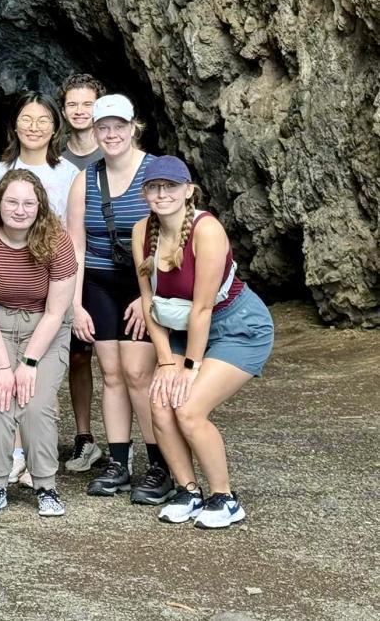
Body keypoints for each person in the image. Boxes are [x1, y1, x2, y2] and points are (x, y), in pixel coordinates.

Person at [132, 156, 273, 529]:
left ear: (188, 190)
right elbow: (149, 302)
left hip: (236, 326)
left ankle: (224, 498)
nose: (162, 194)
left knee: (189, 409)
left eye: (170, 187)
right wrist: (165, 361)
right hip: (179, 327)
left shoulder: (206, 230)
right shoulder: (141, 231)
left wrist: (189, 369)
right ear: (145, 192)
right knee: (160, 404)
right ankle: (187, 490)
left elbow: (203, 308)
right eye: (154, 187)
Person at [66, 94, 174, 504]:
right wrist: (75, 304)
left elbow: (171, 236)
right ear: (94, 132)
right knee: (110, 371)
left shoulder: (153, 172)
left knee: (138, 373)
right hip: (98, 281)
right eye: (103, 128)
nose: (111, 134)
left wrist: (149, 297)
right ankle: (118, 461)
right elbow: (74, 244)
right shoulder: (86, 179)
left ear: (133, 128)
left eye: (119, 126)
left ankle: (159, 463)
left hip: (144, 280)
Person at [0, 170, 77, 517]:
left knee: (36, 404)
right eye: (12, 201)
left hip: (44, 326)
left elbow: (57, 312)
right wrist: (2, 367)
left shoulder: (57, 240)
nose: (20, 209)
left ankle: (46, 486)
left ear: (40, 206)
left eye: (29, 203)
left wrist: (27, 364)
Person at [57, 73, 107, 474]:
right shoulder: (55, 158)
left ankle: (123, 441)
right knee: (76, 356)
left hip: (106, 268)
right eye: (72, 104)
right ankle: (84, 436)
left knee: (113, 357)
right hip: (63, 265)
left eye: (86, 104)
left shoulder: (113, 153)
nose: (79, 111)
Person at [0, 91, 80, 221]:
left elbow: (76, 231)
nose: (34, 128)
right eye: (26, 119)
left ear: (55, 128)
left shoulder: (70, 175)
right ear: (14, 125)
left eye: (43, 121)